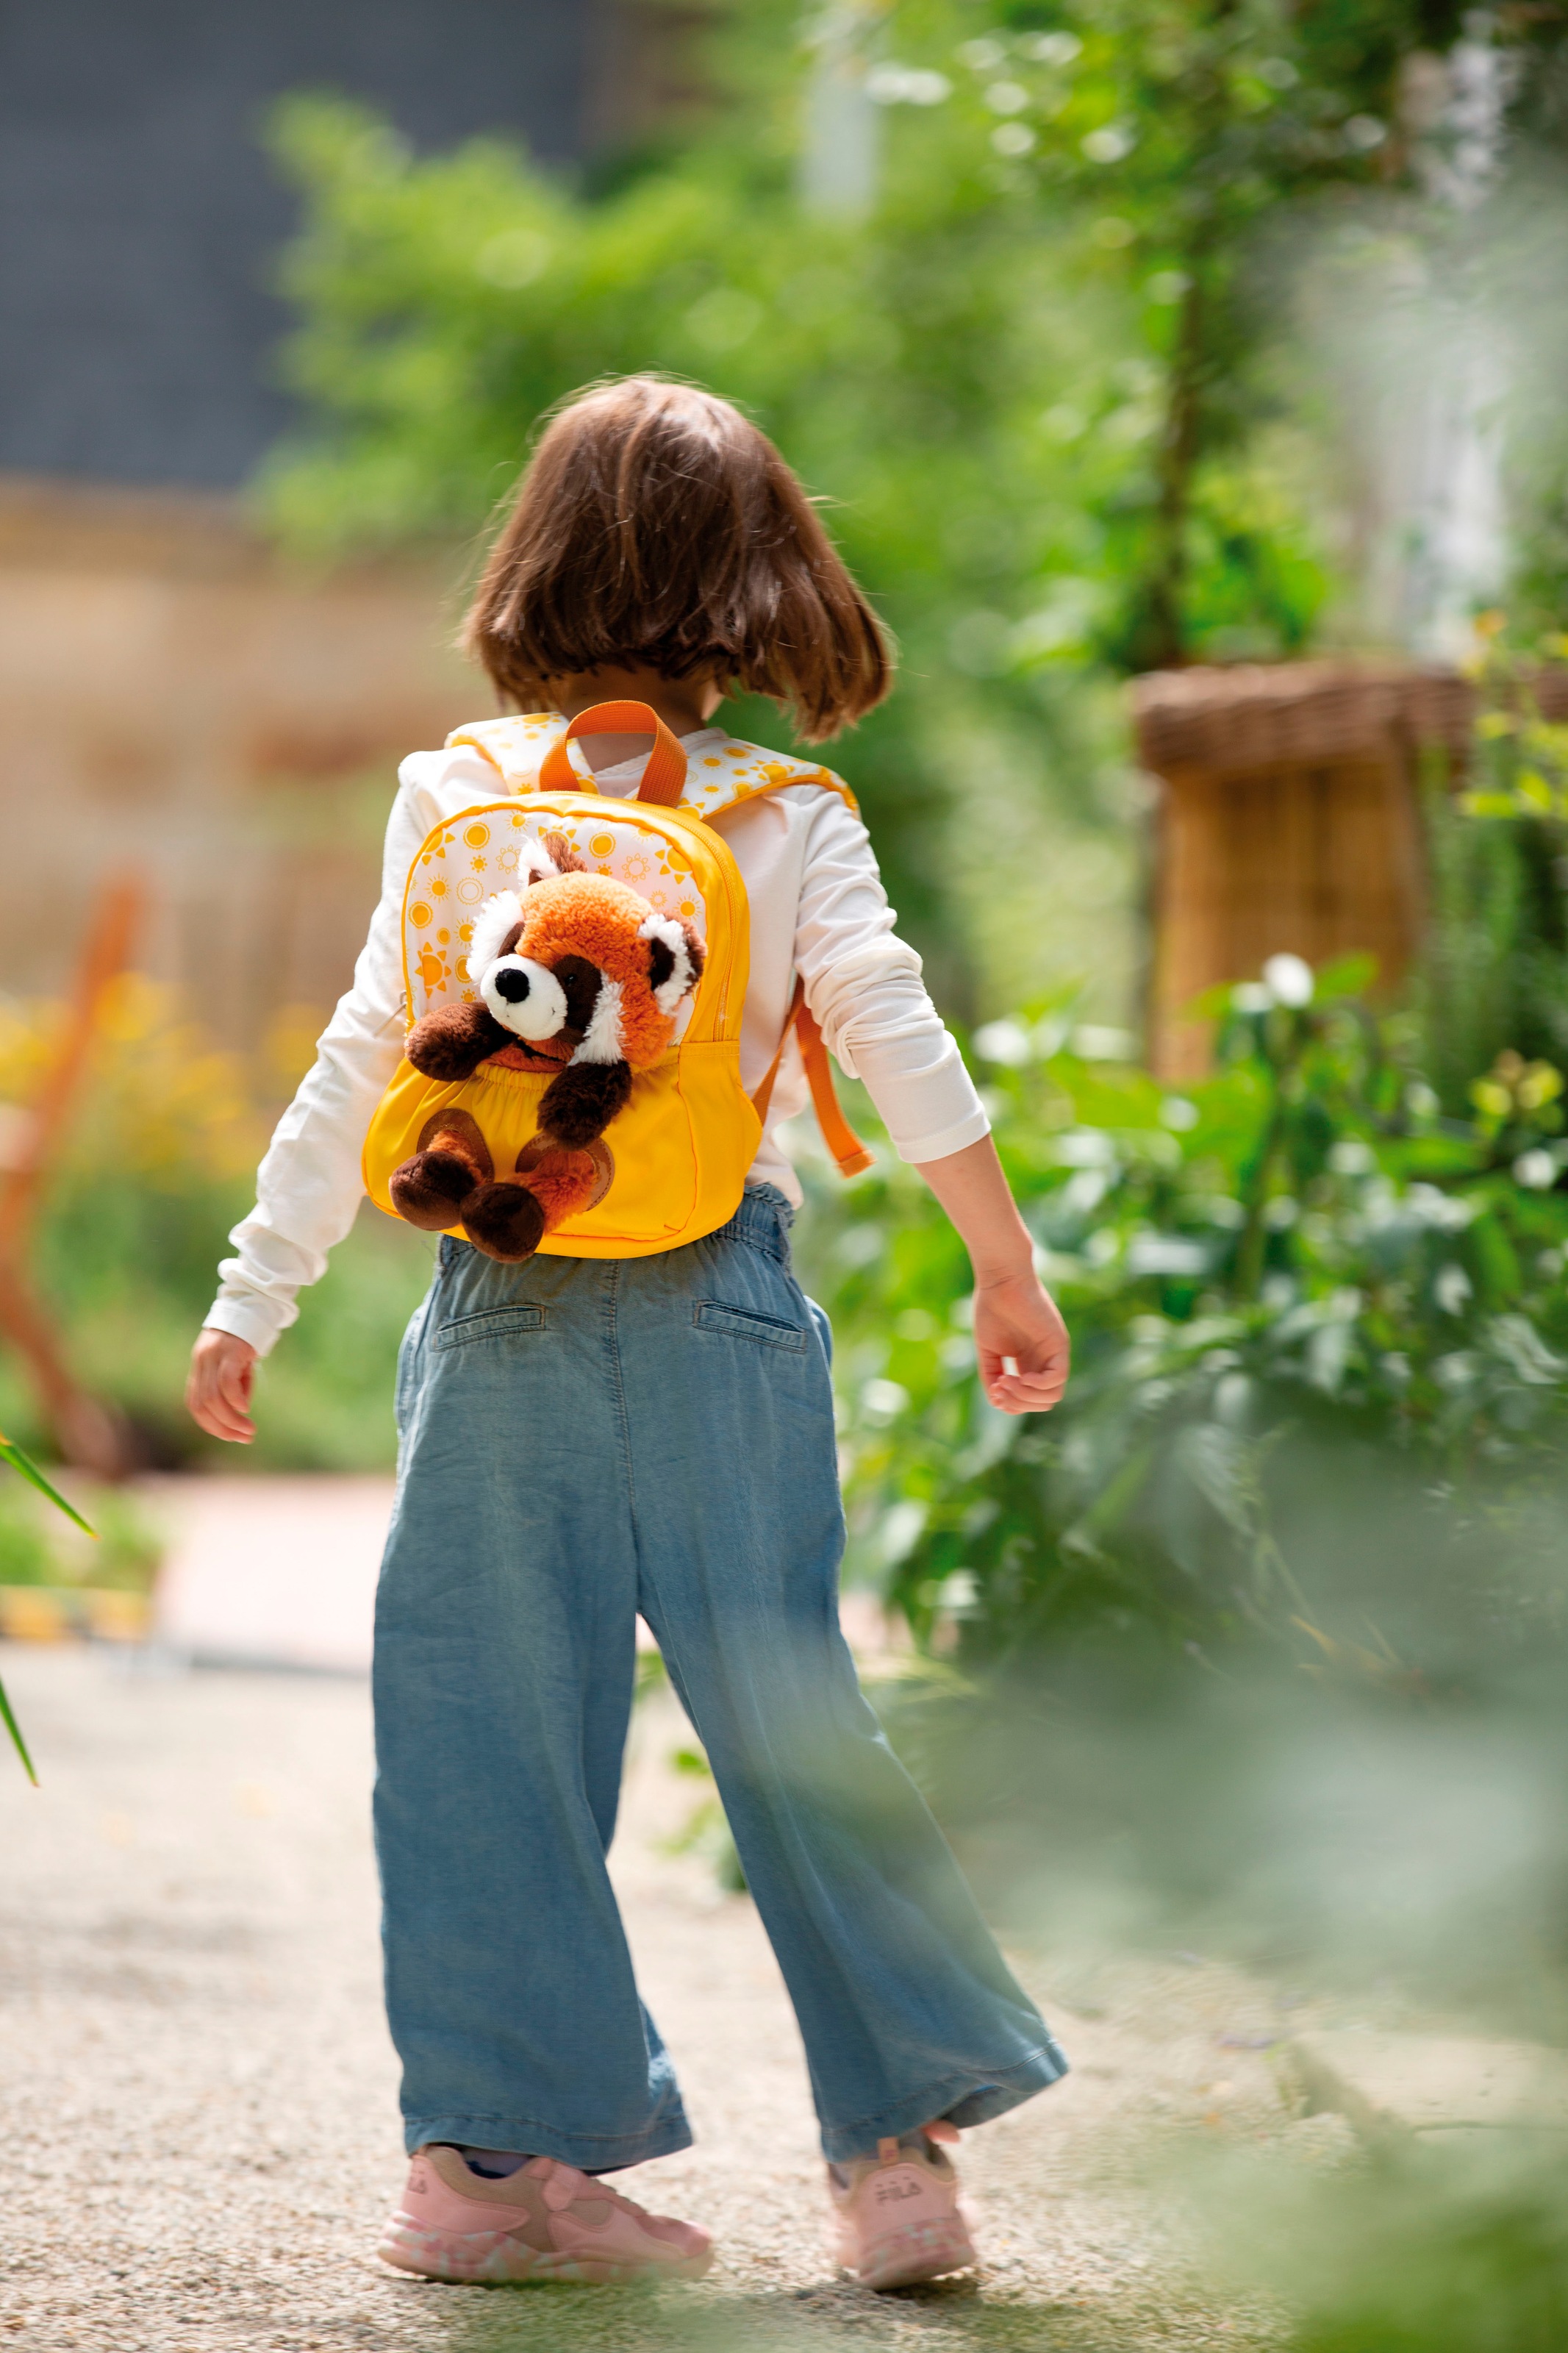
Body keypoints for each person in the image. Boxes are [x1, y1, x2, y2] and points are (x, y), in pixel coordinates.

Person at [187, 376, 1070, 2293]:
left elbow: (369, 1056)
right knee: (791, 1719)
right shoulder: (787, 818)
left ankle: (488, 2175)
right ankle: (898, 2157)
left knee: (480, 1726)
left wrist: (258, 1286)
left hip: (498, 1305)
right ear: (764, 583)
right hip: (715, 1313)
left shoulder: (457, 802)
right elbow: (897, 1029)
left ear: (537, 561)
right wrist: (1003, 1258)